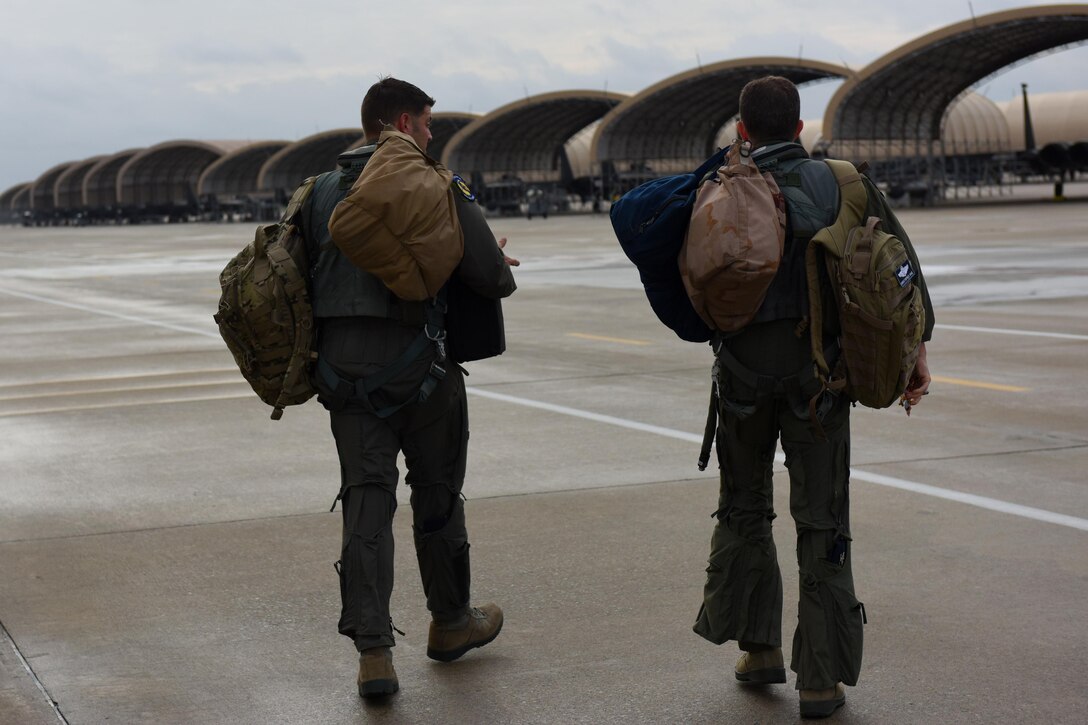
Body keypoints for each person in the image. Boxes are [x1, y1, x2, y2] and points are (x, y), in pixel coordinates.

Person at [690, 76, 934, 719]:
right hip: (820, 379)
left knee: (744, 509)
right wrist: (913, 357)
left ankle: (760, 649)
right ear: (799, 129)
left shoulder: (717, 184)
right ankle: (820, 680)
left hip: (740, 375)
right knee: (822, 521)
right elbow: (902, 270)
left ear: (742, 131)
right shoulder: (844, 182)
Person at [297, 77, 518, 699]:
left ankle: (374, 657)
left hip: (343, 376)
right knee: (438, 492)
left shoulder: (316, 193)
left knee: (366, 498)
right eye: (426, 123)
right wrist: (492, 257)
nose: (431, 134)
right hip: (422, 370)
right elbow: (492, 278)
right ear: (401, 122)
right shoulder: (436, 183)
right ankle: (450, 623)